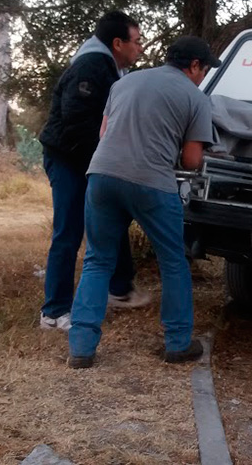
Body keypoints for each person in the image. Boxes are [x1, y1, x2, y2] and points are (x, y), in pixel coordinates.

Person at [67, 36, 220, 368]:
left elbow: (104, 134)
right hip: (152, 182)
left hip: (102, 175)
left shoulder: (127, 81)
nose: (203, 76)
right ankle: (178, 344)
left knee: (97, 261)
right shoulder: (196, 98)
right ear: (194, 66)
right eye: (204, 69)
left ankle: (80, 349)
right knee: (173, 263)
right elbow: (192, 160)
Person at [38, 11, 150, 331]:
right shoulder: (90, 67)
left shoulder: (113, 68)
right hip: (68, 159)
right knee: (69, 231)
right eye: (137, 41)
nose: (140, 48)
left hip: (90, 160)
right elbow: (76, 122)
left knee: (112, 216)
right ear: (118, 43)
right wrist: (105, 161)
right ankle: (54, 311)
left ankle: (119, 288)